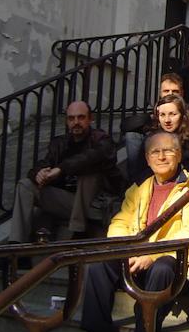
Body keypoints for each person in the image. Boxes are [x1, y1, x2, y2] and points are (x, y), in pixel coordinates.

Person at [81, 131, 189, 332]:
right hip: (138, 259)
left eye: (168, 151)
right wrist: (128, 252)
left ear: (179, 154)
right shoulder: (138, 189)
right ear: (147, 158)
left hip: (182, 264)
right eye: (155, 152)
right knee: (98, 264)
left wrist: (152, 255)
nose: (161, 156)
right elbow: (119, 223)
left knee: (162, 267)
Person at [9, 101, 123, 243]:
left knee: (89, 174)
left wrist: (61, 169)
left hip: (98, 205)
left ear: (90, 119)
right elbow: (44, 163)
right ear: (66, 121)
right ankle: (15, 245)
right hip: (68, 202)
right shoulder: (59, 143)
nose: (76, 122)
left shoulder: (101, 139)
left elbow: (91, 157)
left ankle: (78, 230)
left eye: (81, 117)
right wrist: (38, 173)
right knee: (25, 185)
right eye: (71, 118)